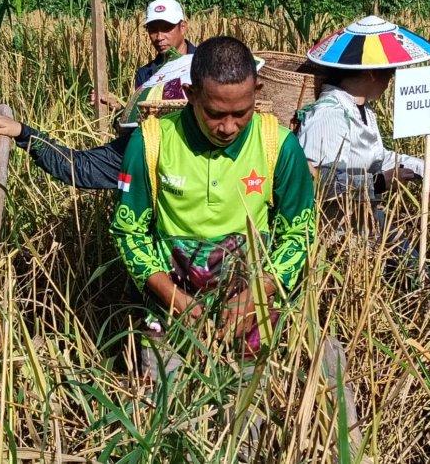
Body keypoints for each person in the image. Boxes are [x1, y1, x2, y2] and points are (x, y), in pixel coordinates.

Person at [109, 35, 366, 461]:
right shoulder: (152, 142)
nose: (228, 127)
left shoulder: (277, 144)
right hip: (173, 305)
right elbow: (129, 233)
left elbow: (298, 232)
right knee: (168, 426)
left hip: (255, 304)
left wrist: (257, 294)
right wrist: (181, 304)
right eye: (215, 114)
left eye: (240, 114)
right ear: (190, 95)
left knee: (272, 411)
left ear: (257, 95)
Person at [0, 0, 197, 190]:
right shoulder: (147, 74)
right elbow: (139, 125)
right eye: (153, 29)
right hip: (151, 160)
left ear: (183, 27)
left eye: (166, 28)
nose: (159, 37)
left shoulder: (207, 64)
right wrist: (23, 133)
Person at [298, 16, 430, 246]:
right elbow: (316, 179)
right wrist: (378, 182)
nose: (390, 82)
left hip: (364, 223)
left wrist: (422, 167)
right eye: (390, 74)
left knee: (412, 263)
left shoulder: (362, 110)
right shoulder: (329, 115)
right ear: (374, 73)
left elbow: (378, 157)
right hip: (336, 236)